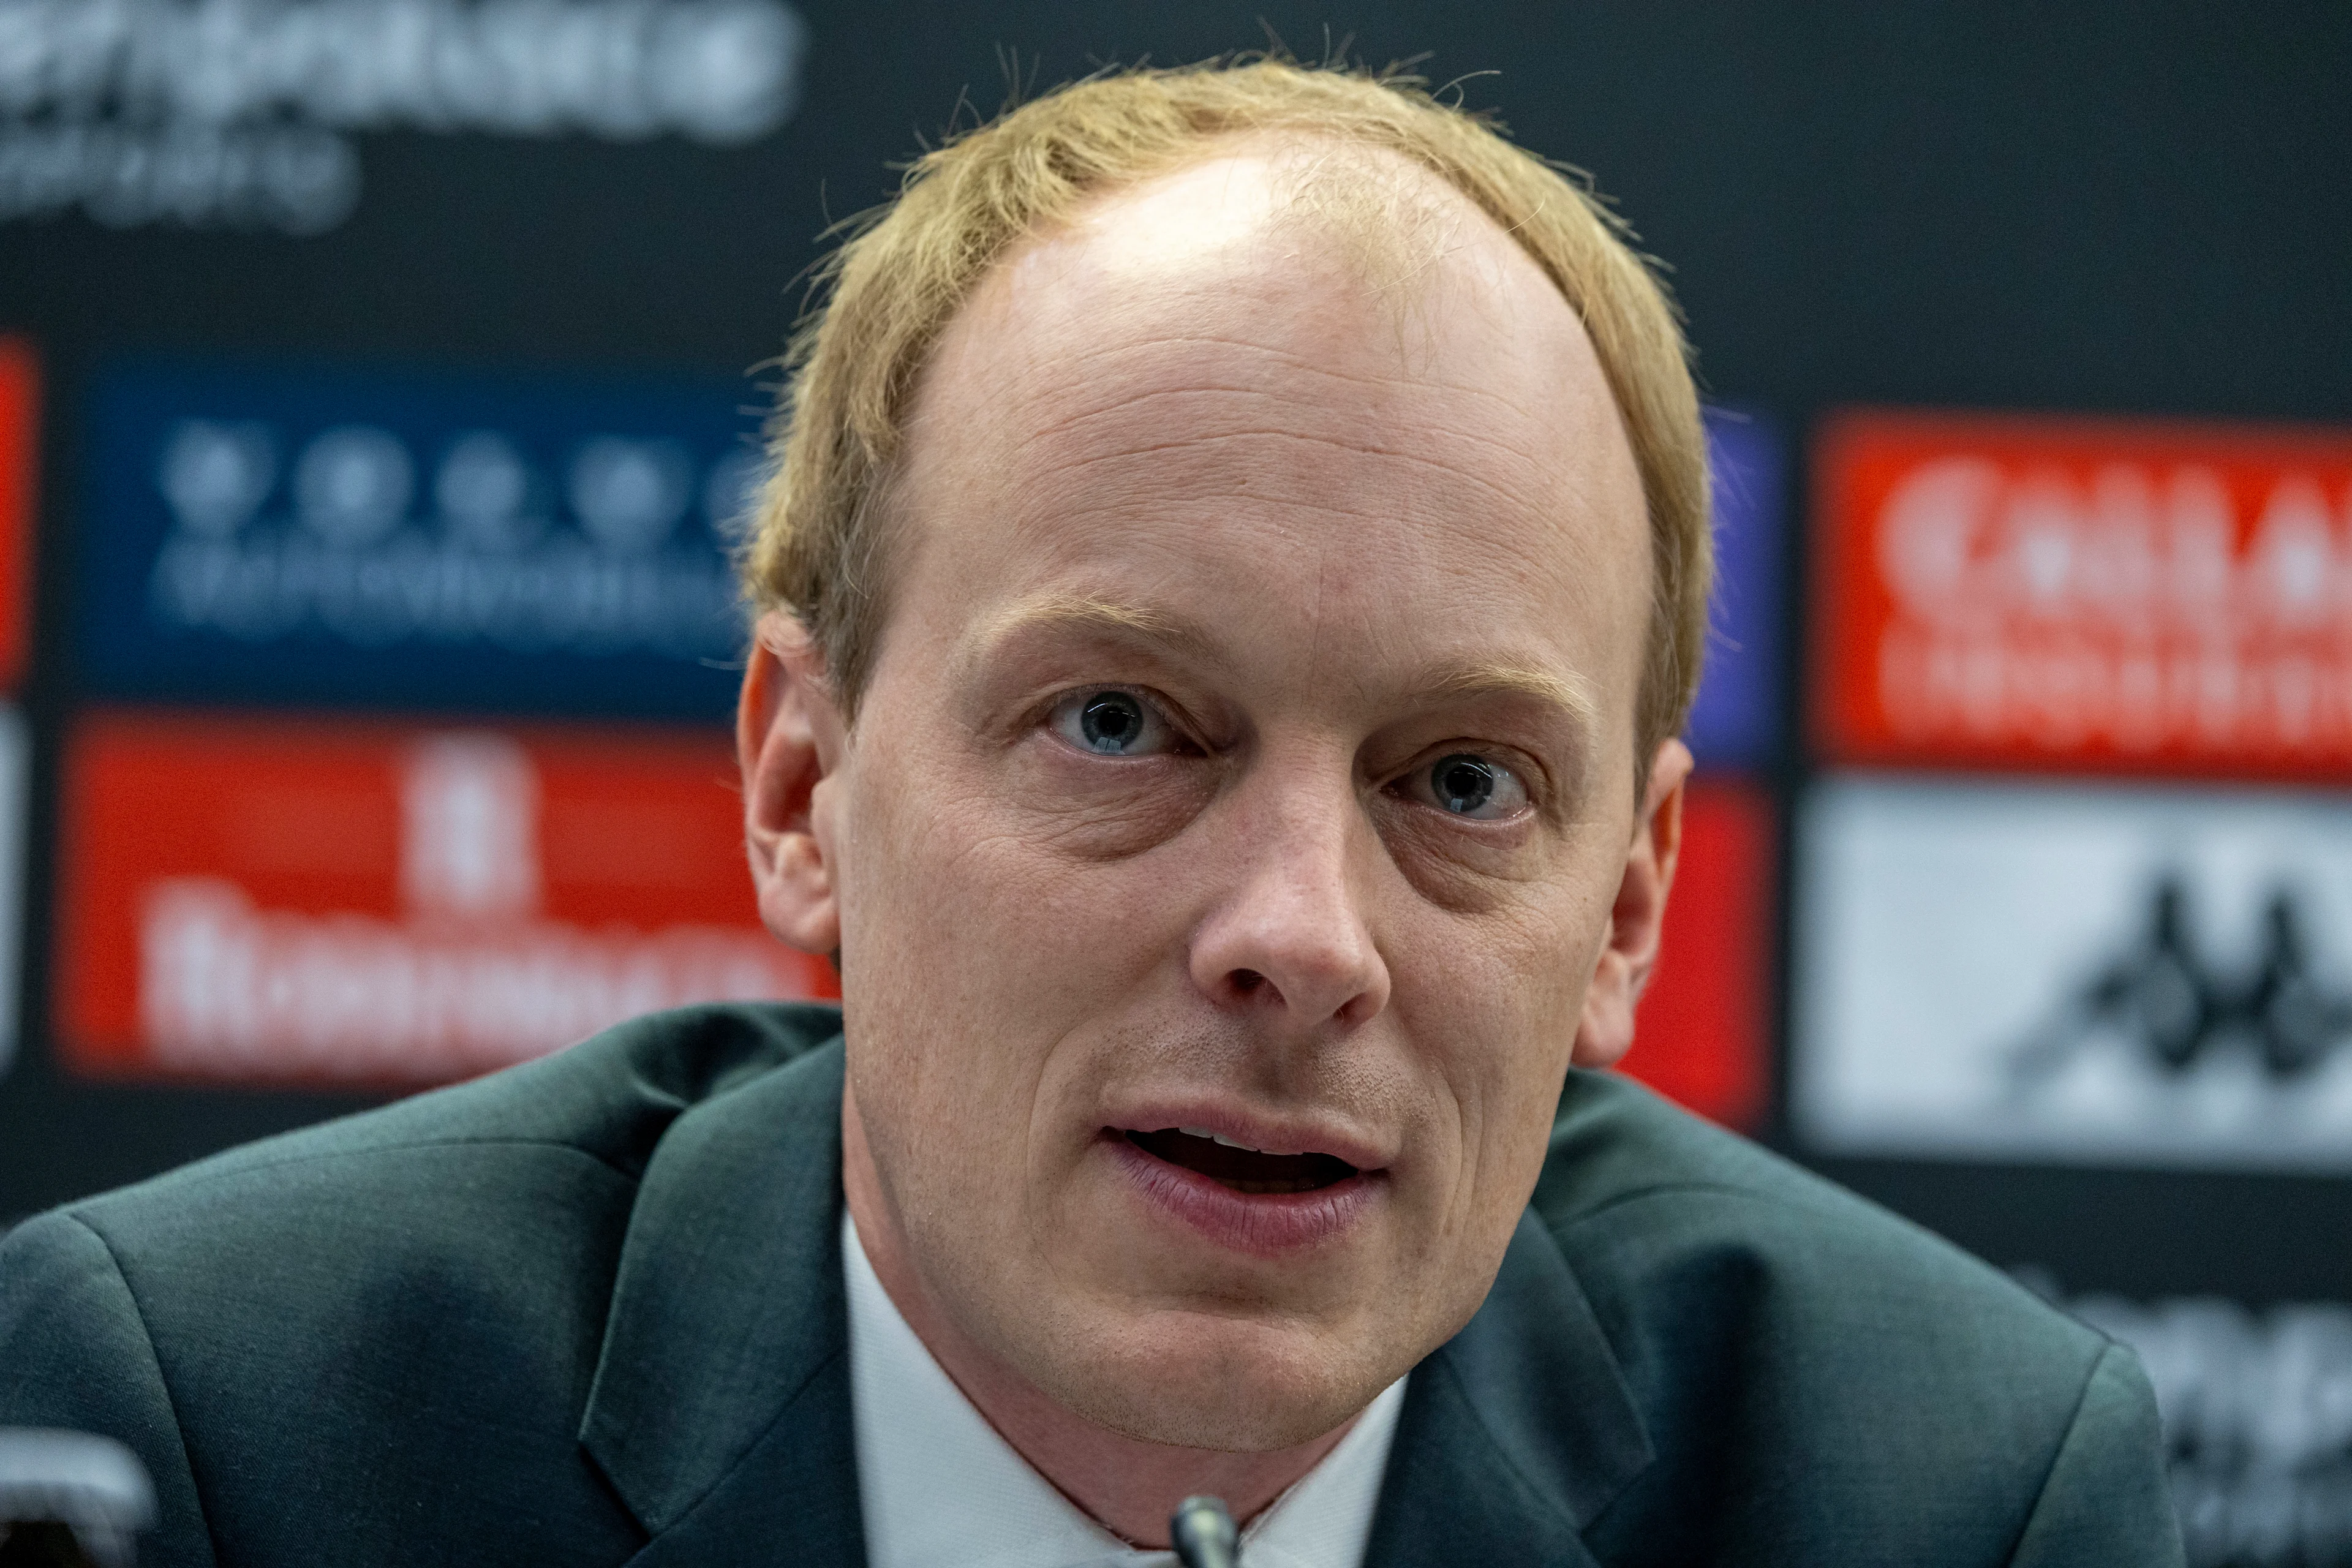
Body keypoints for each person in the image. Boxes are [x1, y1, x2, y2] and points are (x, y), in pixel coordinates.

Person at [0, 59, 2182, 1566]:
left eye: (1461, 782)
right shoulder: (233, 1437)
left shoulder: (1939, 1497)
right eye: (1127, 726)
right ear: (803, 786)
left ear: (1626, 913)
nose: (1304, 937)